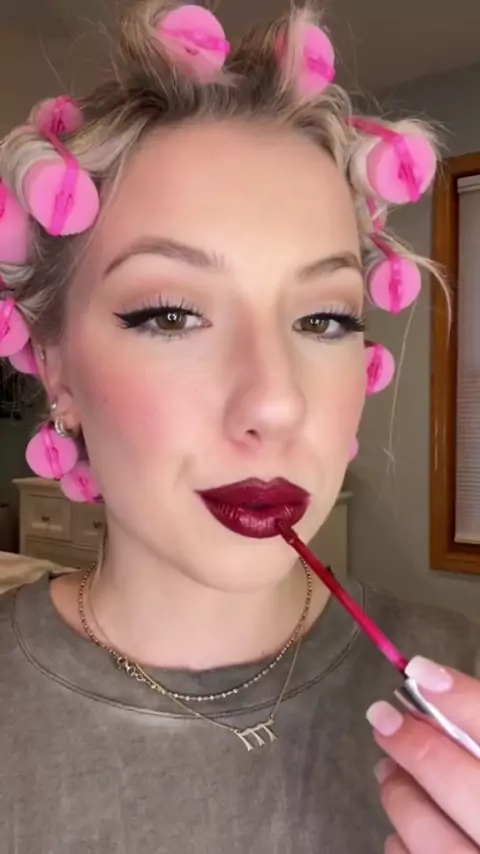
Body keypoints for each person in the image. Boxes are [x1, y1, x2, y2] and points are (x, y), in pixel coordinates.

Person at [0, 2, 479, 852]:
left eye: (325, 319)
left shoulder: (464, 678)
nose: (275, 401)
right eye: (171, 314)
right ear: (54, 365)